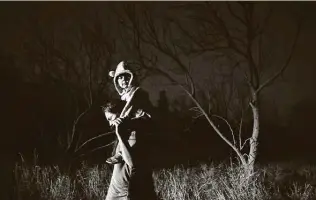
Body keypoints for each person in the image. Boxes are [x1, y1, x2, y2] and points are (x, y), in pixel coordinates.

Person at [105, 61, 157, 200]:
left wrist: (120, 120)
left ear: (132, 77)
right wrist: (112, 118)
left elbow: (128, 111)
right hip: (125, 136)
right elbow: (108, 110)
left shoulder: (138, 93)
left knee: (133, 171)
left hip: (136, 135)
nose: (123, 80)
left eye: (126, 77)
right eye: (120, 78)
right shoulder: (122, 98)